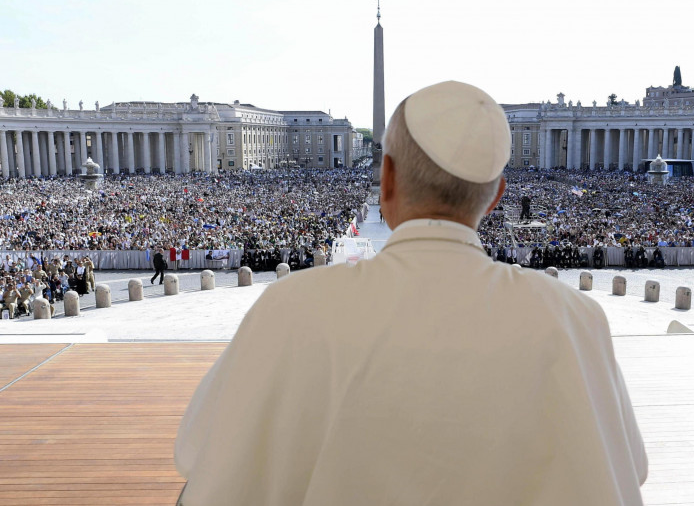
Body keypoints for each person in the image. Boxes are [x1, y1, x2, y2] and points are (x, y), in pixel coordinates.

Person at [175, 81, 648, 505]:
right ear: (498, 195)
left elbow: (198, 452)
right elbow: (631, 469)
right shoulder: (575, 319)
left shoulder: (289, 307)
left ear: (386, 181)